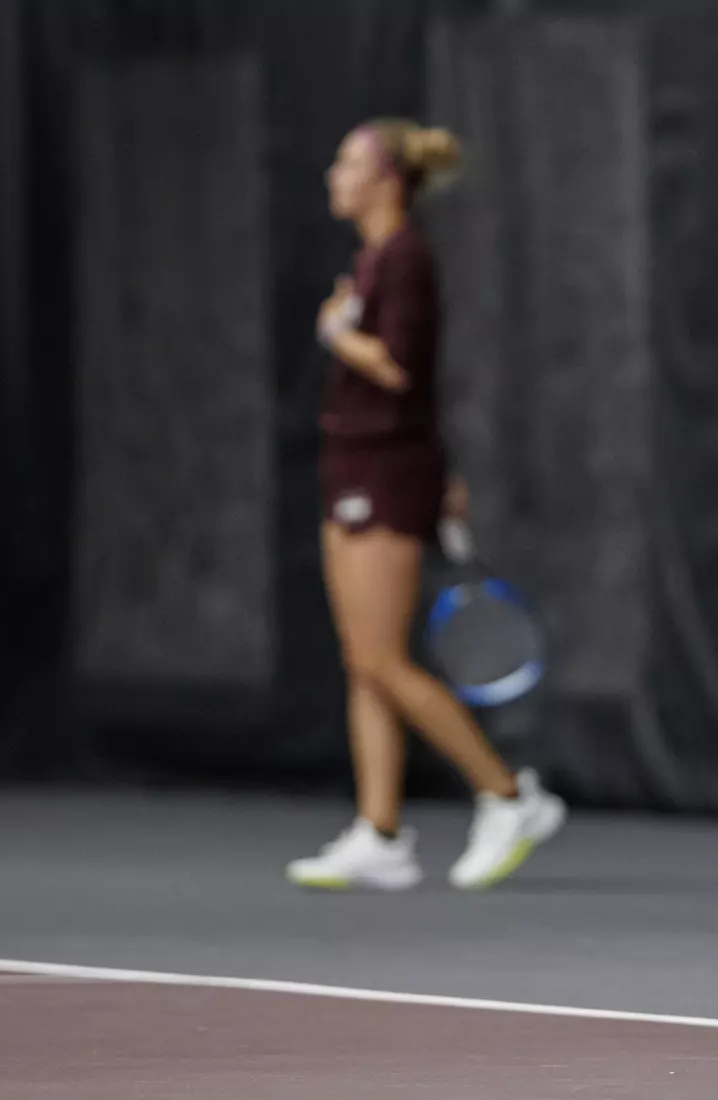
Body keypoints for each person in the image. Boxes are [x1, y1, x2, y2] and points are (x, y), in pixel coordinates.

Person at [286, 118, 565, 892]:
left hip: (383, 475)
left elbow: (400, 369)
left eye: (347, 162)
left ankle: (509, 795)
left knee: (381, 658)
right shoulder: (375, 260)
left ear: (384, 178)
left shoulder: (404, 258)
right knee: (360, 664)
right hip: (352, 468)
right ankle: (380, 834)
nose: (333, 174)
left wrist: (338, 333)